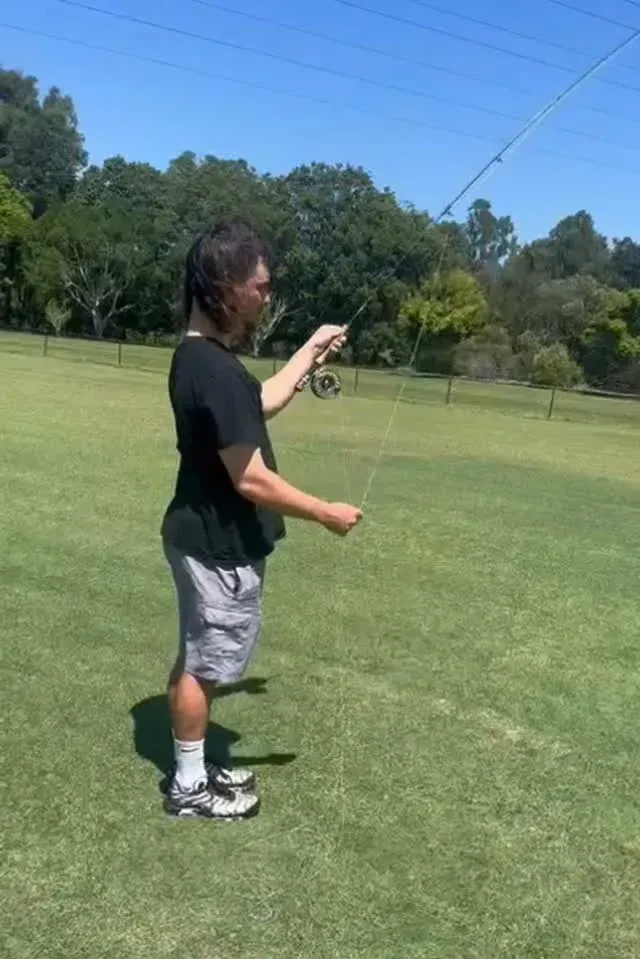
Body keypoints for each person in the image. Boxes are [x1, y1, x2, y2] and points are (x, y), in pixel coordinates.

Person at [160, 219, 363, 820]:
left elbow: (260, 402)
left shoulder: (202, 359)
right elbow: (249, 478)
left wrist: (310, 350)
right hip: (216, 546)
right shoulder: (214, 370)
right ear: (226, 286)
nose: (266, 298)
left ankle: (194, 768)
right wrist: (324, 512)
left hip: (204, 537)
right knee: (204, 665)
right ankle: (189, 787)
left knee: (202, 658)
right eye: (261, 286)